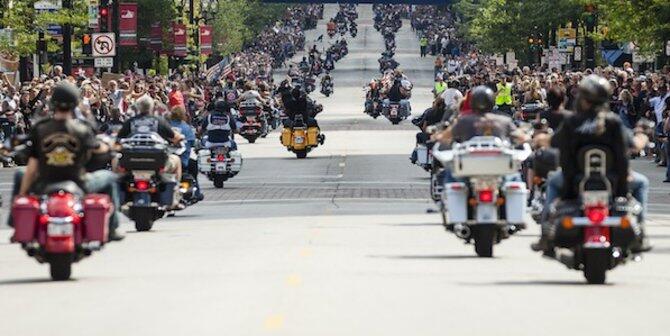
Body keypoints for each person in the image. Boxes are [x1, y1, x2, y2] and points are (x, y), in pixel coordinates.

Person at [535, 75, 651, 253]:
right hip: (613, 180)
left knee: (552, 182)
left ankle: (545, 233)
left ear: (582, 97)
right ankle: (641, 232)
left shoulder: (572, 122)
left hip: (573, 179)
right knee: (642, 182)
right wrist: (642, 135)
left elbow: (552, 141)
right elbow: (634, 145)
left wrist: (536, 138)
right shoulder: (613, 122)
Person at [11, 82, 124, 241]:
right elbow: (100, 149)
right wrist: (109, 146)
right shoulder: (82, 129)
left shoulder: (40, 129)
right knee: (109, 177)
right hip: (79, 181)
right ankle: (112, 228)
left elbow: (32, 166)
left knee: (19, 173)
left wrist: (21, 198)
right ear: (75, 104)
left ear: (53, 103)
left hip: (45, 181)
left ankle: (15, 222)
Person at [116, 95, 185, 209]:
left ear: (138, 108)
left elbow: (118, 139)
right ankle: (174, 197)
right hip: (157, 163)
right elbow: (175, 137)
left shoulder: (130, 122)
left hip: (132, 163)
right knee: (177, 160)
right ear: (152, 107)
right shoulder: (159, 121)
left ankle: (117, 193)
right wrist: (180, 137)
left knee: (115, 161)